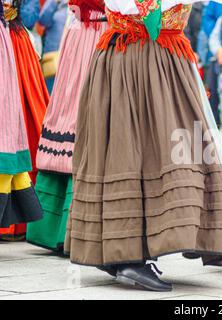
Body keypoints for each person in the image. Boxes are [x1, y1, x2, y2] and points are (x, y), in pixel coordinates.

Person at [64, 0, 222, 292]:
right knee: (133, 149)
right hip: (139, 60)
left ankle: (122, 252)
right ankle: (126, 256)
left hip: (156, 58)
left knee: (157, 149)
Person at [26, 0, 107, 253]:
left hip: (85, 35)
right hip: (92, 37)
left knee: (75, 117)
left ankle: (59, 228)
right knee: (79, 118)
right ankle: (65, 229)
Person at [0, 0, 48, 241]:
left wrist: (10, 12)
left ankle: (15, 222)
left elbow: (30, 16)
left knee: (19, 123)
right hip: (9, 41)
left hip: (14, 45)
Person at [38, 0, 69, 93]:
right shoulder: (55, 2)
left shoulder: (81, 4)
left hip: (71, 55)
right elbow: (43, 20)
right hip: (52, 55)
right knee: (50, 92)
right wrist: (54, 2)